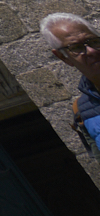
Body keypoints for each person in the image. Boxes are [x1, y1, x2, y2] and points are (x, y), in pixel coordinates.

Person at [42, 12, 100, 157]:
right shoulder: (82, 112)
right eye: (76, 48)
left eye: (94, 41)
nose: (91, 51)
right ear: (63, 57)